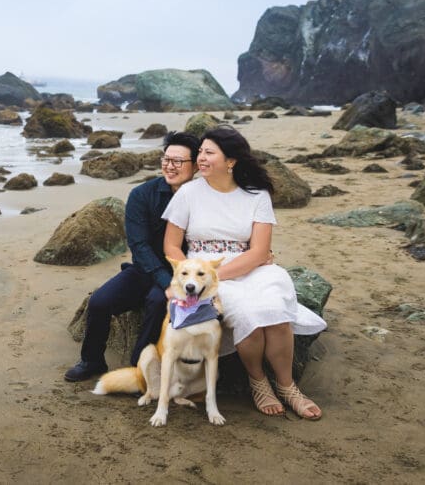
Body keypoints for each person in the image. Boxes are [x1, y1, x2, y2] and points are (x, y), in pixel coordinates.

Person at [162, 126, 326, 419]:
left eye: (209, 153)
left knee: (275, 311)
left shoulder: (256, 195)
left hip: (253, 268)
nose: (201, 158)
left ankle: (287, 386)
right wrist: (193, 277)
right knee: (248, 316)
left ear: (231, 161)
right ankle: (258, 381)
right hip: (204, 275)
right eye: (200, 152)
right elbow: (172, 246)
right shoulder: (188, 193)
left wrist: (218, 273)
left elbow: (260, 251)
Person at [64, 131, 201, 382]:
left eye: (178, 161)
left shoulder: (203, 198)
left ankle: (139, 365)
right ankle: (92, 360)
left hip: (184, 273)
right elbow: (138, 245)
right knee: (99, 301)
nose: (170, 166)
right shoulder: (141, 195)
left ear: (195, 165)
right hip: (143, 269)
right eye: (166, 159)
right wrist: (164, 279)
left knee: (157, 302)